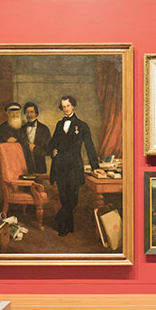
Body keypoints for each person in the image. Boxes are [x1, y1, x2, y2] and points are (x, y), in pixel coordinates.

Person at [47, 96, 104, 236]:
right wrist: (52, 151)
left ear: (73, 106)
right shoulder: (59, 124)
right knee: (64, 197)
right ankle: (66, 227)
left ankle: (60, 218)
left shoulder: (82, 125)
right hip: (59, 164)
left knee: (73, 199)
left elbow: (89, 146)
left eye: (68, 106)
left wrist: (95, 166)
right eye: (63, 106)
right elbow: (52, 143)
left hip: (74, 166)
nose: (65, 109)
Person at [21, 102, 52, 175]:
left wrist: (35, 149)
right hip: (24, 166)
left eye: (31, 112)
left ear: (36, 114)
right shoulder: (21, 129)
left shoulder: (44, 129)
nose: (29, 114)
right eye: (27, 112)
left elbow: (49, 150)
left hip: (39, 166)